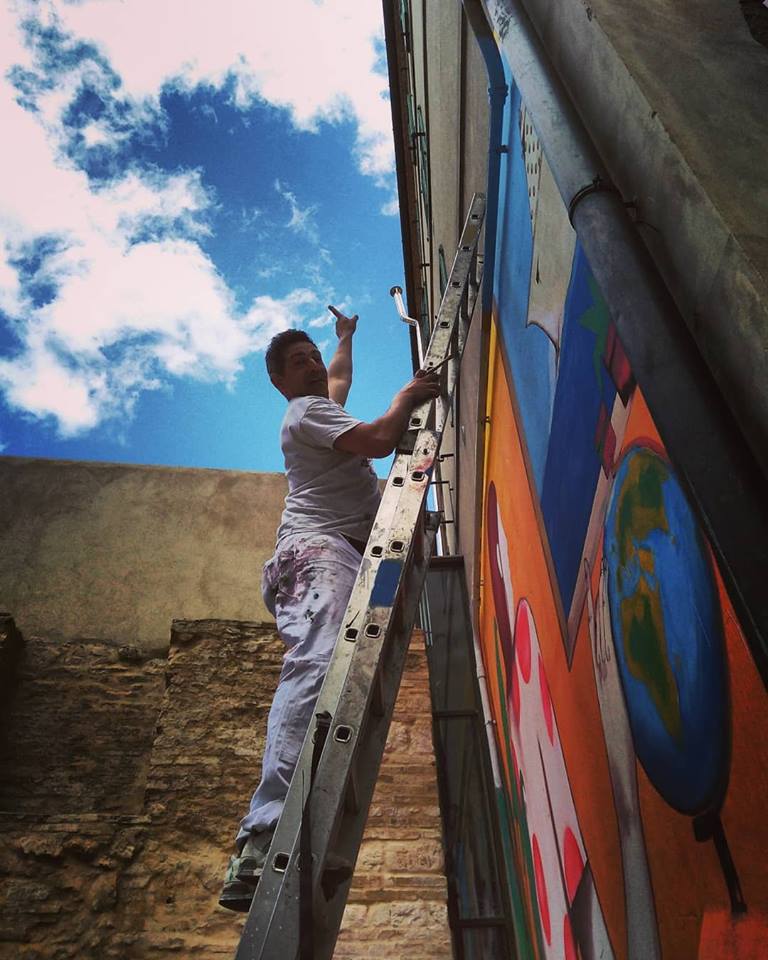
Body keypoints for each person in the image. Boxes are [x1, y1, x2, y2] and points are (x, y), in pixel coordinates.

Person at [219, 306, 440, 911]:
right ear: (280, 382)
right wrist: (405, 397)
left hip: (332, 553)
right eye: (300, 362)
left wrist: (344, 338)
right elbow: (378, 440)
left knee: (331, 669)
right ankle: (262, 835)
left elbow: (338, 377)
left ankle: (284, 827)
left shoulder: (321, 402)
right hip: (315, 553)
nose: (314, 366)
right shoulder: (305, 413)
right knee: (318, 664)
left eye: (314, 356)